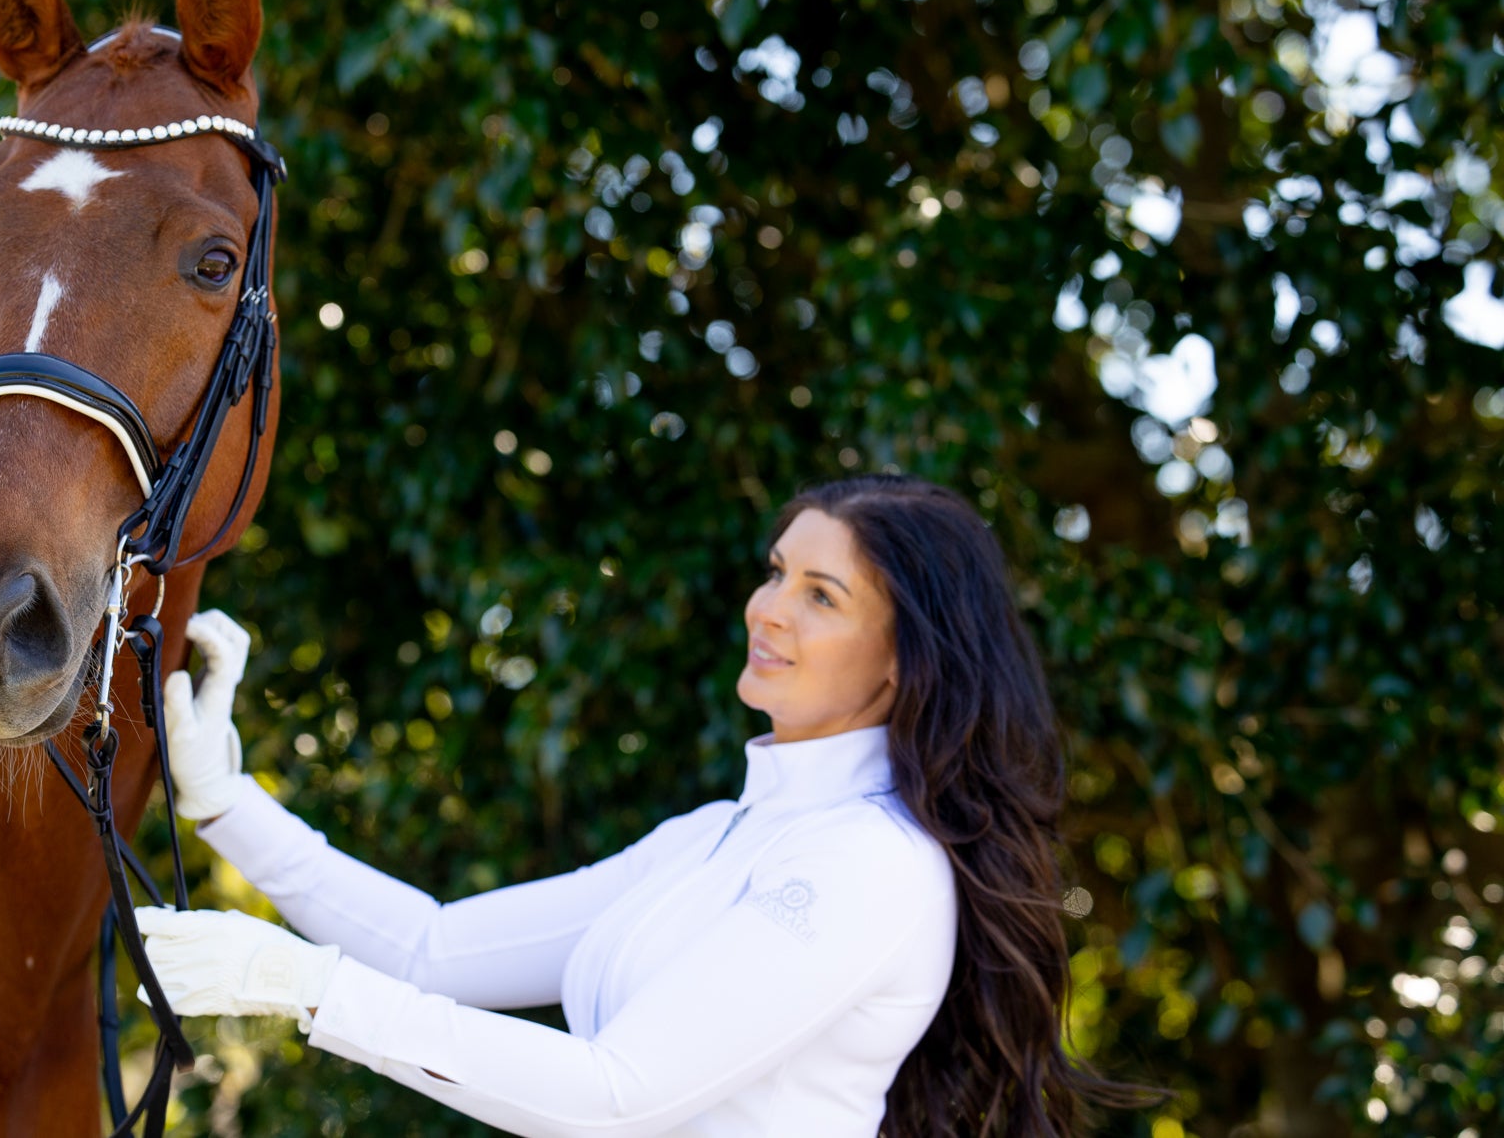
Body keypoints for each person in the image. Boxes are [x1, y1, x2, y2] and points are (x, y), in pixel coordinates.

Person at [138, 475, 1132, 1136]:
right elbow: (435, 949)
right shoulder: (714, 837)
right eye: (776, 569)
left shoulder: (874, 867)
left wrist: (305, 986)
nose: (767, 606)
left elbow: (617, 1094)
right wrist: (225, 802)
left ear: (903, 659)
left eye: (821, 594)